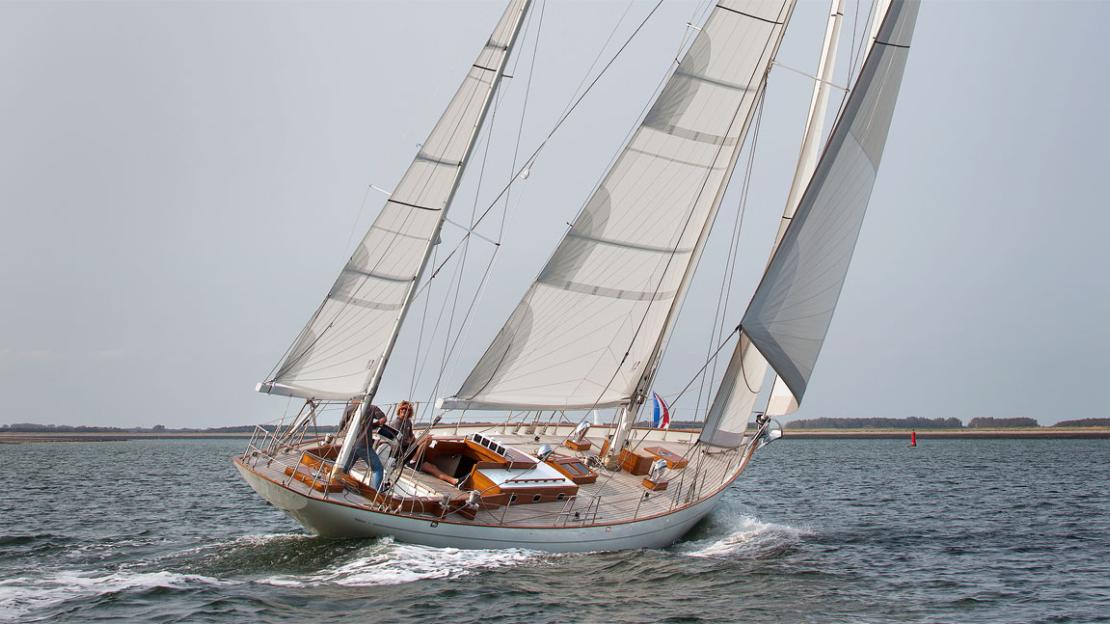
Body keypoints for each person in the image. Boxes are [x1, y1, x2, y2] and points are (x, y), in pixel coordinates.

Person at [339, 400, 387, 490]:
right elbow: (383, 420)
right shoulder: (372, 408)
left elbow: (341, 425)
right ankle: (379, 493)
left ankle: (336, 485)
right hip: (363, 444)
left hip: (350, 444)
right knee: (378, 469)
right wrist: (372, 425)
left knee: (345, 468)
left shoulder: (349, 408)